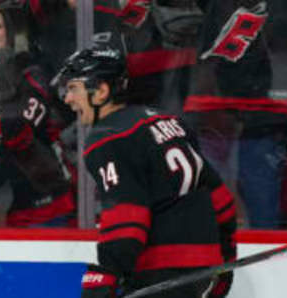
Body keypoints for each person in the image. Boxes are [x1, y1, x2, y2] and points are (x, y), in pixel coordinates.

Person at [53, 46, 236, 297]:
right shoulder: (168, 121)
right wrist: (225, 254)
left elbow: (126, 216)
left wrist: (107, 272)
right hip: (202, 266)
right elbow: (220, 196)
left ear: (101, 91)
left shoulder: (107, 138)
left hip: (161, 269)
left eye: (74, 88)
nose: (68, 98)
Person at [0, 2, 77, 227]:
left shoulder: (31, 72)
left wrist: (4, 80)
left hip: (41, 204)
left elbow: (20, 129)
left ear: (8, 34)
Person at [183, 0, 287, 229]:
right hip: (215, 109)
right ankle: (210, 254)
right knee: (208, 201)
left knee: (261, 204)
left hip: (262, 113)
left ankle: (268, 261)